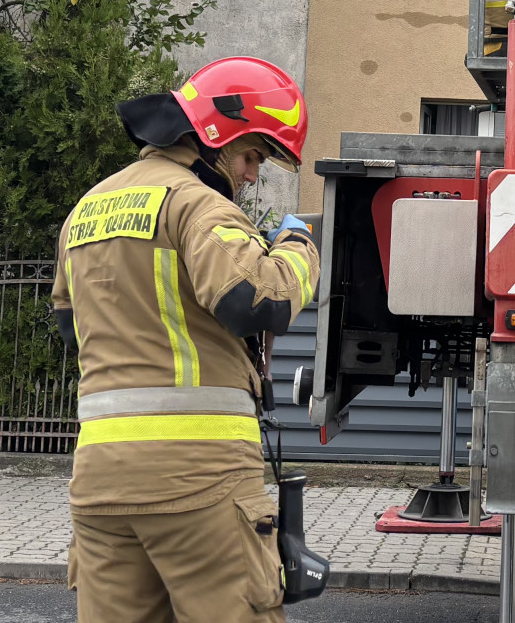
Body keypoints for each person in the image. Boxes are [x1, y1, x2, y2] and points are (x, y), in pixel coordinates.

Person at [53, 56, 319, 622]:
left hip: (99, 481)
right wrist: (299, 246)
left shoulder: (85, 211)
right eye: (252, 156)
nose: (251, 174)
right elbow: (257, 299)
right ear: (217, 138)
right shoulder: (195, 204)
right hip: (199, 478)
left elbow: (70, 325)